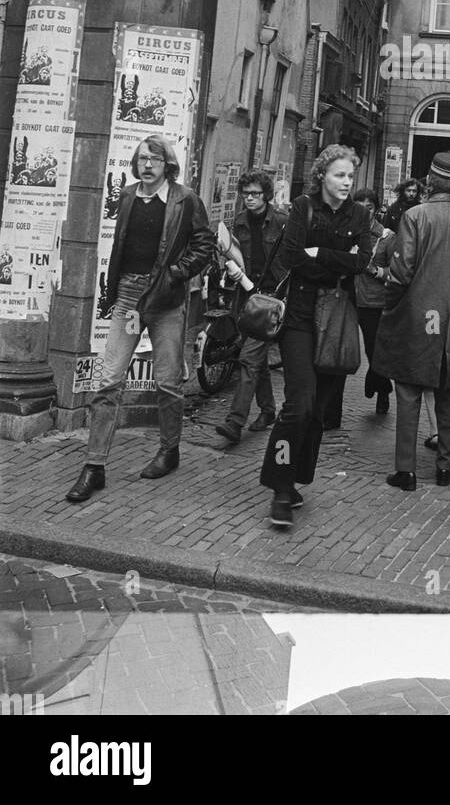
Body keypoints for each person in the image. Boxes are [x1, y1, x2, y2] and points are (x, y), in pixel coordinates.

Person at [66, 135, 214, 503]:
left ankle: (169, 449)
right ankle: (94, 466)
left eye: (155, 159)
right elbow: (121, 245)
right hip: (129, 296)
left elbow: (205, 243)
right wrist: (113, 291)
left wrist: (178, 273)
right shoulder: (129, 194)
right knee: (109, 381)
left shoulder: (185, 199)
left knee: (166, 383)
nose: (147, 164)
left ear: (167, 164)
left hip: (165, 298)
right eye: (142, 158)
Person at [259, 144, 371, 528]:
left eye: (350, 177)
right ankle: (280, 486)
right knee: (299, 405)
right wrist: (334, 261)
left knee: (318, 414)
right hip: (301, 320)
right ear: (322, 175)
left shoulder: (360, 214)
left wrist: (319, 252)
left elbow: (361, 262)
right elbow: (292, 259)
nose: (346, 183)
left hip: (337, 322)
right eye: (339, 175)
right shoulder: (302, 209)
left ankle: (294, 480)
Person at [374, 151, 450, 491]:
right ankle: (445, 469)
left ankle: (406, 471)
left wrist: (390, 307)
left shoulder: (414, 217)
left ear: (429, 181)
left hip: (419, 316)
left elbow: (401, 273)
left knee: (408, 390)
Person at [215, 171, 288, 444]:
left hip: (271, 299)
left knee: (248, 358)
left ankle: (234, 422)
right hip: (247, 297)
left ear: (266, 195)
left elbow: (292, 261)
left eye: (255, 194)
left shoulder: (281, 222)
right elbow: (232, 254)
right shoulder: (239, 223)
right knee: (256, 360)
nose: (250, 199)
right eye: (246, 194)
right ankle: (268, 410)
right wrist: (229, 266)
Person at [353, 187, 395, 415]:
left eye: (368, 208)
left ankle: (381, 390)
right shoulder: (347, 233)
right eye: (359, 207)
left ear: (376, 210)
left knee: (373, 348)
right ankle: (381, 382)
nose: (363, 212)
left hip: (373, 301)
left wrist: (376, 270)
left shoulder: (386, 238)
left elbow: (396, 272)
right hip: (349, 297)